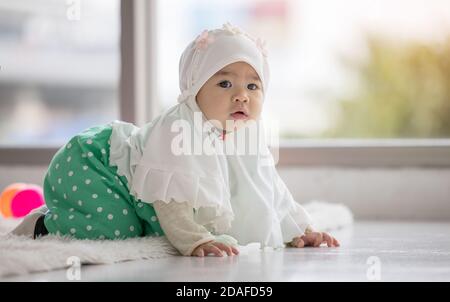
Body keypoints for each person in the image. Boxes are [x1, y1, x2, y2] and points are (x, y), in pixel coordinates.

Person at [12, 23, 339, 257]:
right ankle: (43, 223)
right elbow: (172, 201)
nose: (242, 96)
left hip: (109, 173)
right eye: (225, 84)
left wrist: (300, 229)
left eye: (253, 87)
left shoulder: (247, 136)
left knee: (132, 228)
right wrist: (194, 240)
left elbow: (271, 191)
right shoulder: (179, 128)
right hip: (97, 167)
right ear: (195, 89)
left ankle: (62, 210)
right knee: (116, 231)